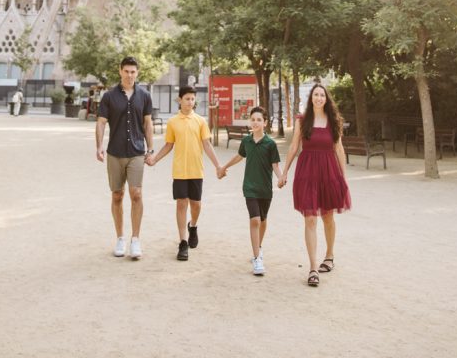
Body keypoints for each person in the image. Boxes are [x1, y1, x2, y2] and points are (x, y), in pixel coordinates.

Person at [278, 83, 350, 287]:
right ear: (311, 98)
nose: (319, 98)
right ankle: (312, 268)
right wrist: (284, 172)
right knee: (310, 219)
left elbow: (339, 149)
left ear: (326, 99)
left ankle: (329, 256)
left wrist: (343, 178)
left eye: (322, 95)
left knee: (328, 217)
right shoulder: (302, 120)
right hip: (307, 173)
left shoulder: (334, 121)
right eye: (316, 94)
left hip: (329, 174)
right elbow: (294, 147)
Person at [146, 85, 221, 261]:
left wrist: (218, 165)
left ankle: (193, 226)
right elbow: (168, 145)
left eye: (193, 99)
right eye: (187, 99)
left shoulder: (201, 121)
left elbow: (207, 145)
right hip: (179, 171)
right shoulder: (173, 122)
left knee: (196, 205)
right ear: (180, 100)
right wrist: (155, 159)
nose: (190, 102)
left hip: (197, 170)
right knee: (181, 204)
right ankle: (183, 242)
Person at [96, 56, 154, 260]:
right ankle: (120, 237)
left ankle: (135, 240)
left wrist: (151, 149)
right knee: (117, 195)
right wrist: (99, 146)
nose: (130, 75)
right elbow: (101, 122)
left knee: (136, 193)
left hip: (137, 152)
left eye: (133, 72)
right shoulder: (109, 96)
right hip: (115, 152)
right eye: (126, 71)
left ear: (137, 73)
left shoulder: (145, 96)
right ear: (120, 71)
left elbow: (148, 124)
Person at [218, 106, 282, 276]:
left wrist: (281, 177)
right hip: (250, 188)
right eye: (253, 119)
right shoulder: (246, 141)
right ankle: (257, 259)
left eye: (259, 120)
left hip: (265, 189)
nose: (255, 122)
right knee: (254, 220)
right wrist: (224, 167)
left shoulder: (270, 144)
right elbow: (239, 156)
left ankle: (258, 248)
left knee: (263, 220)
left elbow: (275, 165)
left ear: (265, 123)